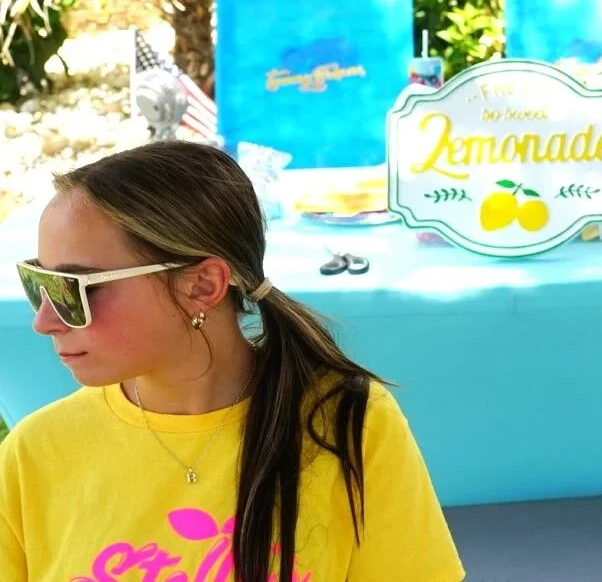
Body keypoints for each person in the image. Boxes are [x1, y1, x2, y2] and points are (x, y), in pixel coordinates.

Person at [1, 141, 464, 582]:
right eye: (38, 283)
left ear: (203, 285)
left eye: (74, 290)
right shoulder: (33, 454)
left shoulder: (345, 422)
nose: (44, 321)